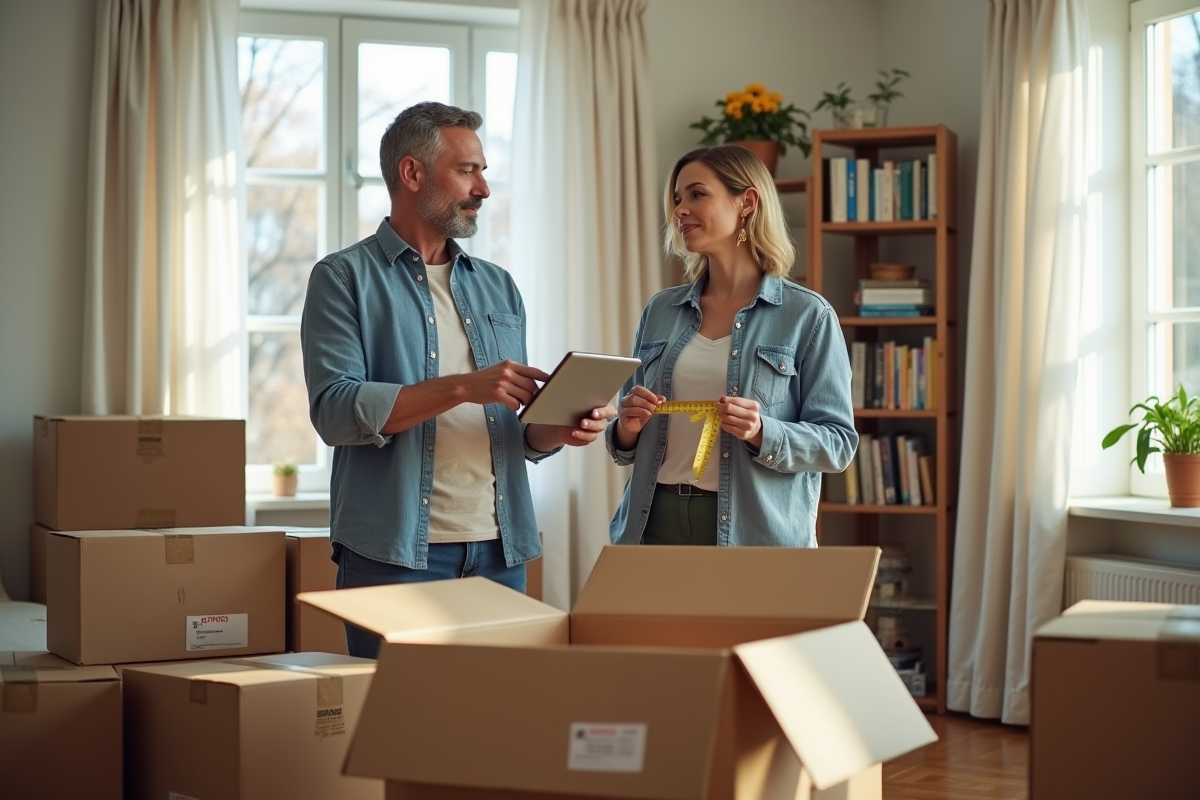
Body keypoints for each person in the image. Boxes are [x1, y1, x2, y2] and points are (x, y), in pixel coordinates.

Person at [301, 102, 614, 658]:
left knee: (490, 729)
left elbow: (513, 434)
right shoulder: (343, 278)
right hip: (394, 557)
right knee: (396, 730)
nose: (484, 189)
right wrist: (463, 386)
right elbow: (335, 411)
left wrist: (557, 428)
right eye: (468, 170)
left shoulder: (499, 287)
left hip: (500, 552)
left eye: (484, 171)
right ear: (412, 173)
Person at [606, 144, 857, 547]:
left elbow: (838, 444)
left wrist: (763, 432)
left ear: (747, 202)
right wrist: (626, 428)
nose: (680, 210)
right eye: (677, 199)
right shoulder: (660, 311)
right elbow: (624, 446)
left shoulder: (808, 316)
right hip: (651, 526)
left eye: (696, 194)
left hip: (754, 534)